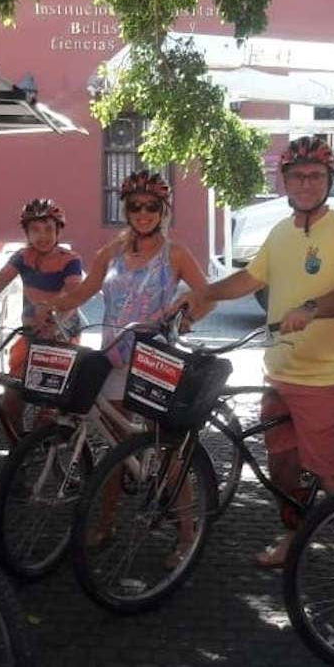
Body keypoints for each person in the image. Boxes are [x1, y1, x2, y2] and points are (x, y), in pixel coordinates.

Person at [175, 136, 334, 607]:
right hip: (281, 372)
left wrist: (313, 307)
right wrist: (204, 293)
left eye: (315, 176)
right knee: (285, 470)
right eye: (296, 176)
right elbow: (251, 278)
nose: (305, 183)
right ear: (284, 181)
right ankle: (294, 537)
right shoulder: (281, 232)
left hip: (326, 379)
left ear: (329, 181)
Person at [42, 170, 209, 566]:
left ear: (164, 210)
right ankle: (107, 523)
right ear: (126, 210)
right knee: (116, 447)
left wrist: (186, 317)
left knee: (165, 450)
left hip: (156, 360)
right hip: (114, 355)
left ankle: (187, 536)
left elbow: (207, 296)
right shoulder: (111, 251)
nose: (143, 213)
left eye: (152, 206)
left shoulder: (176, 253)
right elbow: (84, 290)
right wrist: (54, 308)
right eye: (135, 206)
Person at [0, 199, 83, 430]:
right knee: (11, 401)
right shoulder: (22, 257)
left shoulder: (70, 260)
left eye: (48, 229)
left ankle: (46, 450)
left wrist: (57, 324)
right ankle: (19, 452)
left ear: (58, 231)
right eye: (35, 229)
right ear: (26, 233)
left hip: (63, 338)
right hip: (30, 335)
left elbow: (74, 295)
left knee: (50, 410)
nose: (42, 236)